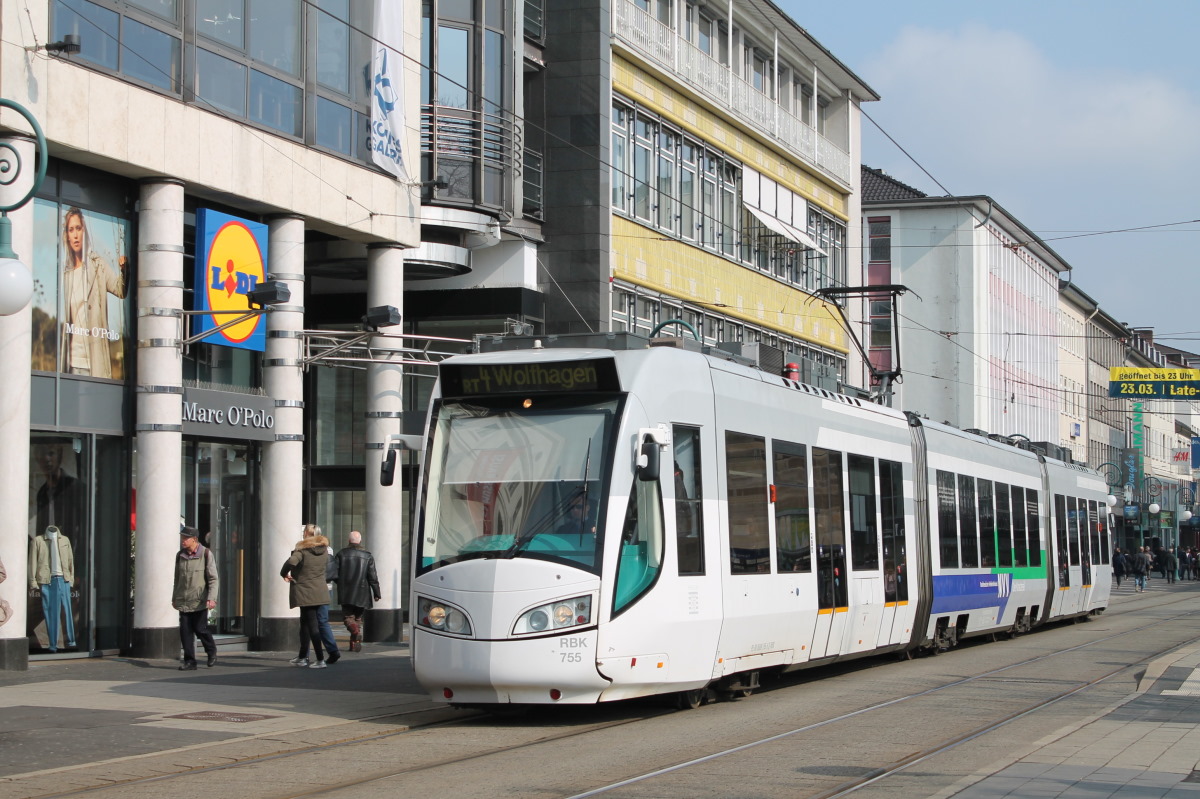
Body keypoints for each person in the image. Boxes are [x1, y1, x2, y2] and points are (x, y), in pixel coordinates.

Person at [59, 207, 126, 378]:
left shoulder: (98, 266)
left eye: (78, 228)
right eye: (70, 229)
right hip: (72, 361)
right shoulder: (64, 276)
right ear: (66, 235)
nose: (75, 235)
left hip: (94, 359)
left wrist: (125, 269)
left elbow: (120, 290)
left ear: (84, 231)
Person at [281, 526, 333, 669]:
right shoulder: (324, 551)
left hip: (305, 591)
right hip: (320, 590)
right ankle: (303, 656)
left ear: (307, 535)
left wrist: (284, 573)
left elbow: (291, 562)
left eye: (304, 532)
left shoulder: (302, 551)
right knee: (305, 623)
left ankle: (320, 659)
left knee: (312, 625)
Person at [172, 527, 218, 670]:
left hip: (199, 600)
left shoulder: (205, 554)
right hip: (184, 600)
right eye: (182, 538)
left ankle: (211, 651)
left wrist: (212, 598)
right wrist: (175, 597)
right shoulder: (180, 555)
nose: (183, 541)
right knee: (185, 632)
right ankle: (190, 662)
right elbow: (177, 579)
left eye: (186, 538)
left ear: (194, 539)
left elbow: (213, 579)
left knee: (200, 629)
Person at [330, 531, 381, 653]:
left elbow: (334, 573)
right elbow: (372, 576)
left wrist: (341, 583)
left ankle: (355, 632)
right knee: (358, 618)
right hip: (362, 592)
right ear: (360, 541)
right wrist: (377, 593)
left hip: (346, 591)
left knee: (348, 617)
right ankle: (354, 643)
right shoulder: (367, 556)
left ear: (349, 541)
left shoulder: (341, 554)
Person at [28, 525, 76, 652]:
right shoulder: (38, 541)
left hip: (63, 579)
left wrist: (71, 579)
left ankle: (71, 641)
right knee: (50, 613)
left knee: (67, 611)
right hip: (47, 581)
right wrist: (33, 582)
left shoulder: (65, 540)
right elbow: (32, 562)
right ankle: (53, 644)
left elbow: (70, 560)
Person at [302, 524, 341, 664]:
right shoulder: (328, 549)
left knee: (307, 621)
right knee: (322, 620)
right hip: (326, 588)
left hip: (311, 588)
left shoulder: (305, 549)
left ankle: (304, 654)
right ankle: (333, 650)